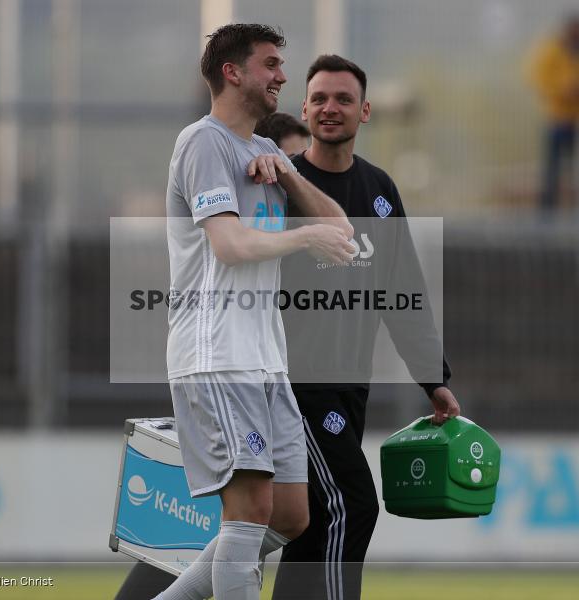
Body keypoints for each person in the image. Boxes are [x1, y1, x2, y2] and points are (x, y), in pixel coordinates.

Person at [135, 24, 355, 600]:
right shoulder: (203, 142)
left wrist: (286, 172)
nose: (283, 75)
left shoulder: (262, 151)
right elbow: (229, 247)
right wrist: (302, 240)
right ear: (233, 72)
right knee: (251, 509)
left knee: (289, 515)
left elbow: (340, 230)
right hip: (217, 354)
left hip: (263, 360)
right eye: (271, 64)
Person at [270, 55, 460, 600]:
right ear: (303, 109)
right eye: (321, 99)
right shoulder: (280, 184)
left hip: (348, 390)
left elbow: (404, 294)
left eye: (344, 99)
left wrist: (433, 378)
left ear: (365, 111)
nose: (331, 108)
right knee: (351, 504)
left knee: (307, 521)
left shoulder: (379, 190)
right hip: (293, 385)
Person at [528, 13, 579, 213]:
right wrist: (564, 88)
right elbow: (538, 77)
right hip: (559, 119)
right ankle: (547, 215)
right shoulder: (552, 50)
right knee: (552, 171)